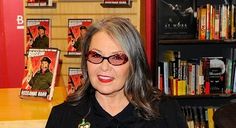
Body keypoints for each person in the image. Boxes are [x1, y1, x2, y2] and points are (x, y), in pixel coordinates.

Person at [46, 17, 187, 128]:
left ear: (134, 63)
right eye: (96, 55)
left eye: (117, 57)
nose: (104, 67)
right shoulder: (63, 116)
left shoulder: (166, 113)